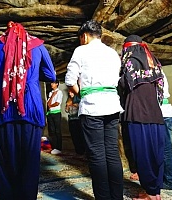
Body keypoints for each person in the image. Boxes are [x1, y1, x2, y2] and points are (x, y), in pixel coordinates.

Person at [0, 21, 56, 200]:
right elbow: (51, 75)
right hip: (30, 109)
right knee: (29, 165)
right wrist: (30, 74)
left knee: (4, 165)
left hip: (1, 110)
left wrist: (4, 74)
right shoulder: (37, 46)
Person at [65, 20, 124, 200]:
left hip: (92, 107)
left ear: (84, 36)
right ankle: (117, 197)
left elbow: (69, 80)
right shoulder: (112, 53)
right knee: (112, 153)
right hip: (112, 105)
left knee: (97, 154)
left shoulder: (81, 50)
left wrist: (82, 92)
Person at [118, 34, 165, 200]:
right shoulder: (153, 61)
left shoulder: (131, 61)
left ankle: (150, 193)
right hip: (156, 115)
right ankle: (155, 191)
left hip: (137, 114)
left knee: (142, 155)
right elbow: (160, 90)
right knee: (156, 154)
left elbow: (124, 84)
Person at [160, 72, 172, 190]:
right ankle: (165, 178)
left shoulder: (152, 71)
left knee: (165, 151)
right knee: (164, 150)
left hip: (163, 113)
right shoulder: (158, 69)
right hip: (166, 112)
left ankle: (170, 181)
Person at [65, 90, 86, 157]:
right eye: (69, 93)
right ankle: (78, 151)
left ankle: (83, 151)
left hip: (78, 119)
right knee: (74, 136)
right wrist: (67, 106)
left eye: (71, 92)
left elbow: (79, 106)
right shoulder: (68, 99)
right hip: (71, 119)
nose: (70, 94)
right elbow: (66, 110)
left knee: (80, 135)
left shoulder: (78, 98)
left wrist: (71, 104)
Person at [46, 80, 63, 155]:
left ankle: (59, 148)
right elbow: (48, 103)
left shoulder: (59, 92)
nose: (51, 84)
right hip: (50, 113)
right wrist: (52, 96)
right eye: (51, 83)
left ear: (57, 84)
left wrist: (50, 104)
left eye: (53, 83)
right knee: (52, 131)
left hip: (56, 113)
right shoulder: (50, 93)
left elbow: (57, 103)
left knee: (57, 130)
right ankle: (54, 147)